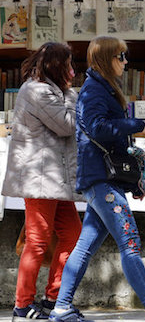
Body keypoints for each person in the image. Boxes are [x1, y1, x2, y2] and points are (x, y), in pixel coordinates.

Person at [49, 36, 145, 322]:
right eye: (121, 56)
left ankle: (61, 308)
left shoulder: (101, 89)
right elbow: (99, 129)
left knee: (85, 247)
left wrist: (132, 182)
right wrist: (138, 125)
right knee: (129, 241)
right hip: (100, 180)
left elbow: (109, 141)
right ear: (106, 58)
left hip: (102, 179)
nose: (126, 62)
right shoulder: (93, 92)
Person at [3, 42, 82, 320]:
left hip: (53, 178)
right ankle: (22, 304)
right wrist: (73, 95)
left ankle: (54, 297)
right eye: (69, 64)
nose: (73, 71)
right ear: (57, 65)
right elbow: (67, 124)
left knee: (72, 234)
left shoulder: (49, 89)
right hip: (39, 177)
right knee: (37, 241)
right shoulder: (37, 90)